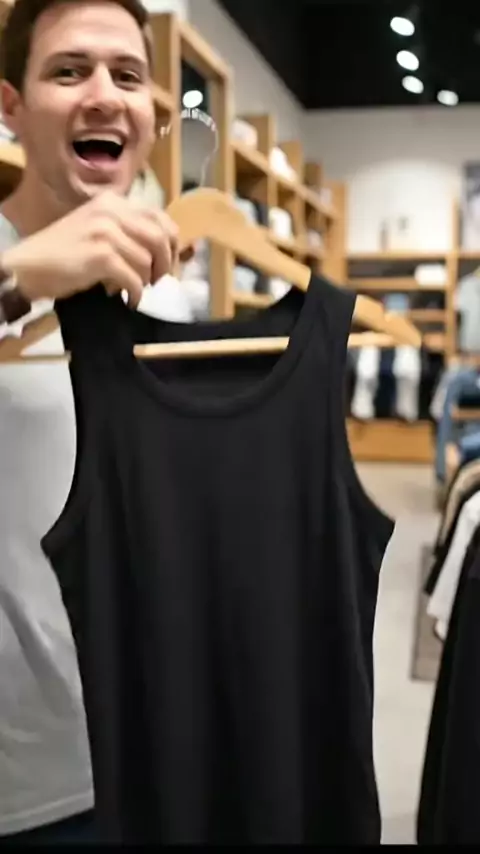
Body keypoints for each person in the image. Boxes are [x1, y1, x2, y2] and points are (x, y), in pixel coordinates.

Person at [0, 0, 187, 843]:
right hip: (25, 777)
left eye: (128, 75)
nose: (104, 94)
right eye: (69, 71)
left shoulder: (170, 295)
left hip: (161, 743)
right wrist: (19, 279)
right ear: (11, 106)